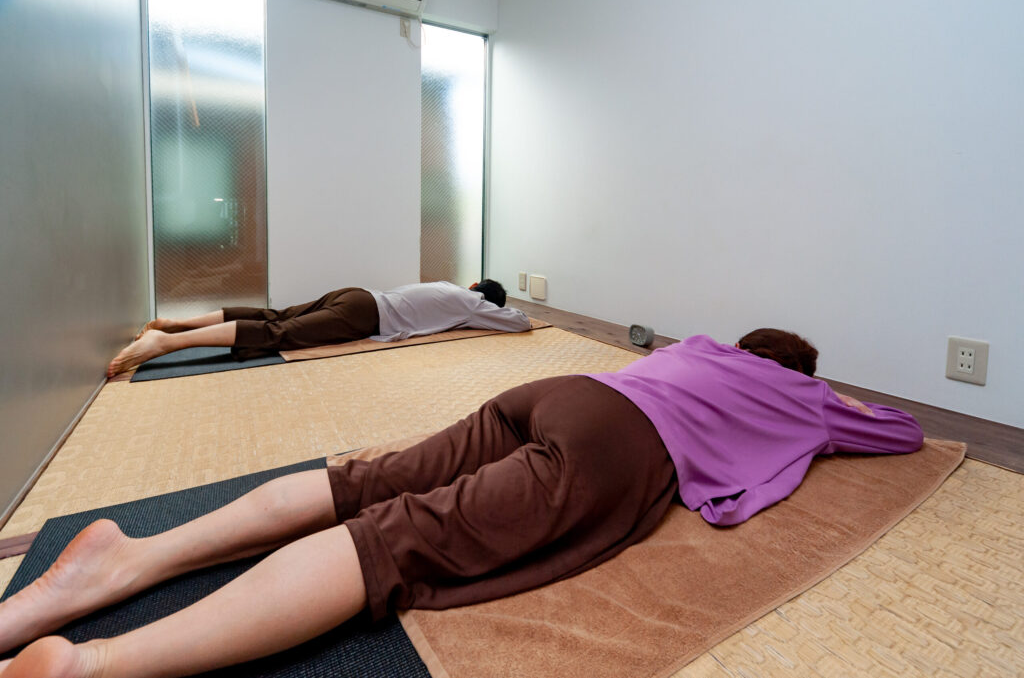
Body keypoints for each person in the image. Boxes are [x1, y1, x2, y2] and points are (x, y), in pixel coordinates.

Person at [1, 329, 923, 677]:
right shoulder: (803, 395)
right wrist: (825, 397)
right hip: (616, 444)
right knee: (402, 538)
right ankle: (95, 665)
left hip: (563, 391)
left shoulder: (696, 345)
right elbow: (904, 433)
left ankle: (130, 558)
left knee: (367, 479)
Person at [106, 279, 529, 377]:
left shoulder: (449, 286)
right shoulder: (473, 304)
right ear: (483, 297)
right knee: (279, 335)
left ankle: (175, 323)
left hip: (357, 294)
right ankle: (166, 343)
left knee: (274, 317)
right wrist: (487, 308)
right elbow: (521, 322)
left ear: (473, 283)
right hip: (365, 316)